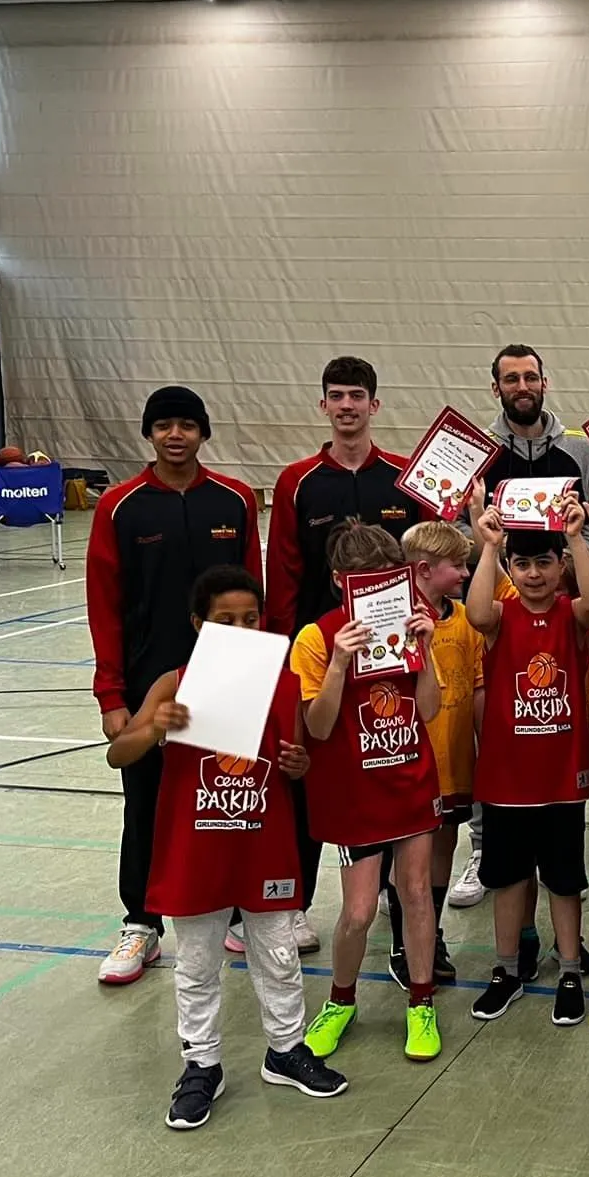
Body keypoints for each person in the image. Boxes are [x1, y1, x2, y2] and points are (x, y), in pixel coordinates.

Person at [106, 565, 347, 1127]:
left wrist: (299, 764)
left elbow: (301, 758)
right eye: (225, 619)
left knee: (280, 954)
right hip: (198, 846)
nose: (241, 627)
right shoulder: (174, 683)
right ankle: (201, 1064)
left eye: (250, 618)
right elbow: (119, 755)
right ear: (199, 624)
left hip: (263, 841)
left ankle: (285, 1051)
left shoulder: (283, 683)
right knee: (196, 963)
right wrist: (153, 727)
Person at [87, 386, 260, 987]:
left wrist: (260, 675)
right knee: (147, 803)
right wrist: (113, 697)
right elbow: (104, 605)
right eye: (164, 426)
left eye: (187, 424)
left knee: (233, 800)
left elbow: (253, 591)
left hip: (231, 676)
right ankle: (141, 922)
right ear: (150, 434)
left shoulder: (235, 500)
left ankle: (240, 910)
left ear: (203, 432)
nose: (176, 435)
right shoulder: (119, 506)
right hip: (148, 680)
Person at [262, 357, 429, 947]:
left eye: (358, 395)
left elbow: (426, 555)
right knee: (307, 775)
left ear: (375, 406)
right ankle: (298, 901)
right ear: (324, 406)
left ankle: (394, 899)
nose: (348, 405)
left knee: (387, 765)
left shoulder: (405, 475)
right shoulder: (298, 481)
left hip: (391, 658)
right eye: (337, 396)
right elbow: (282, 572)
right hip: (322, 657)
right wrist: (288, 653)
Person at [291, 523, 447, 1064]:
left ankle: (422, 1001)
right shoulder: (316, 639)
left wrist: (425, 650)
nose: (378, 593)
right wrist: (338, 662)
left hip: (410, 779)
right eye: (364, 583)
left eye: (387, 581)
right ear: (340, 582)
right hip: (356, 790)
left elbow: (428, 710)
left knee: (417, 892)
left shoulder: (410, 626)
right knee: (357, 912)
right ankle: (341, 1000)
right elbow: (319, 724)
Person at [466, 491, 589, 1025]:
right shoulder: (500, 615)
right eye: (521, 564)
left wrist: (574, 534)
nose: (533, 574)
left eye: (542, 562)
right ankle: (505, 970)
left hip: (560, 779)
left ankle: (570, 967)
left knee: (565, 881)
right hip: (506, 780)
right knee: (507, 878)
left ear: (559, 566)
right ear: (511, 569)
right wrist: (488, 547)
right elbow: (476, 611)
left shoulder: (573, 615)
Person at [393, 521, 481, 992]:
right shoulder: (395, 622)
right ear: (424, 569)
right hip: (408, 766)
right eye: (458, 565)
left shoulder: (465, 619)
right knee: (407, 863)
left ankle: (432, 933)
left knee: (444, 848)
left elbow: (480, 685)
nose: (465, 573)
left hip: (455, 763)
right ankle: (401, 944)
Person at [482, 344, 589, 513]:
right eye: (512, 379)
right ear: (496, 389)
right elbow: (456, 524)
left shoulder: (581, 449)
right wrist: (494, 540)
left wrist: (573, 539)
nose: (523, 387)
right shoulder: (479, 450)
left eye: (531, 378)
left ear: (544, 384)